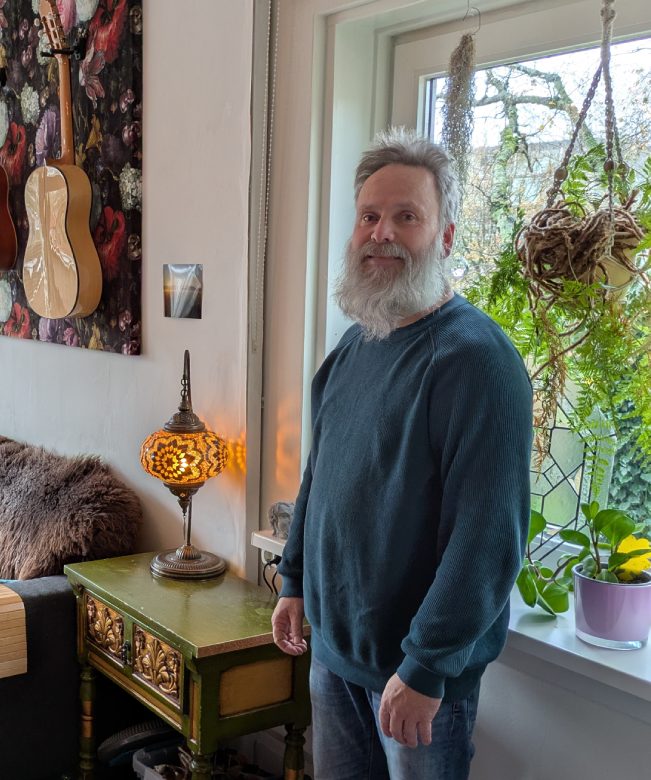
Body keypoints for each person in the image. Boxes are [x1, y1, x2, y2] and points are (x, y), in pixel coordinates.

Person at [271, 128, 533, 780]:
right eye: (369, 216)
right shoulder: (353, 346)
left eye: (406, 216)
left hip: (416, 679)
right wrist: (294, 580)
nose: (381, 233)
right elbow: (319, 478)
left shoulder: (478, 363)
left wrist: (427, 665)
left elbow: (487, 539)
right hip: (335, 657)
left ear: (445, 238)